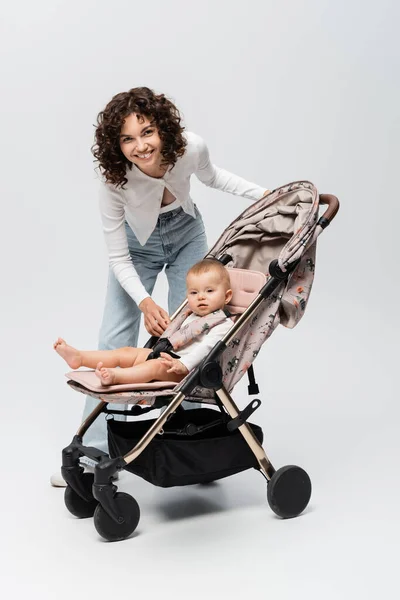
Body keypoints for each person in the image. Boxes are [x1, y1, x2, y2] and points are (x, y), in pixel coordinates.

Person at [50, 86, 268, 486]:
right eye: (128, 139)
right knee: (114, 340)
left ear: (163, 129)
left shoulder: (190, 148)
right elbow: (118, 257)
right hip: (136, 250)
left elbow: (215, 178)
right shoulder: (113, 179)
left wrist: (268, 198)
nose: (140, 146)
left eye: (147, 132)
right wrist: (145, 301)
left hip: (188, 233)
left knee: (190, 337)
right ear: (116, 145)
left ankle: (188, 442)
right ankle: (92, 454)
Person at [54, 259, 233, 386]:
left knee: (153, 366)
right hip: (166, 356)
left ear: (227, 296)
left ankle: (116, 376)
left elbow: (207, 348)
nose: (201, 296)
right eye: (194, 293)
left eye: (209, 291)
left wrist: (183, 364)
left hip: (187, 371)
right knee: (127, 352)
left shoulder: (222, 325)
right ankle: (80, 357)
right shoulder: (190, 315)